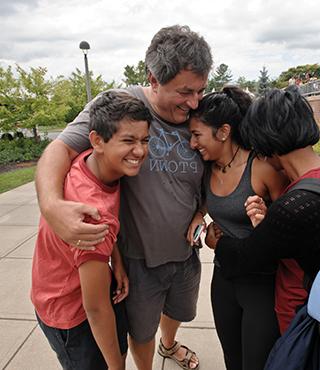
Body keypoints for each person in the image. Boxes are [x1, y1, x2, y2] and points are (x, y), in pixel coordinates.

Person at [34, 25, 213, 370]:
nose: (194, 102)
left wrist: (203, 212)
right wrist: (52, 206)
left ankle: (169, 344)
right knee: (138, 330)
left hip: (184, 253)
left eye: (201, 90)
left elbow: (223, 168)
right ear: (154, 79)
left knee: (178, 311)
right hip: (139, 259)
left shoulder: (202, 115)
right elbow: (58, 149)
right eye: (185, 91)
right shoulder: (120, 108)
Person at [205, 86, 320, 335]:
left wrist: (216, 243)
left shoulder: (294, 207)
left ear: (266, 142)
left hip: (301, 314)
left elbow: (244, 258)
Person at [31, 90, 152, 370]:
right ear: (97, 140)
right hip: (70, 312)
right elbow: (96, 310)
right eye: (128, 141)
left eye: (144, 140)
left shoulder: (92, 162)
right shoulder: (93, 216)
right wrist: (116, 367)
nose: (140, 151)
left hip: (81, 285)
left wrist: (116, 258)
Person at [188, 86, 288, 370]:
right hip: (223, 279)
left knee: (256, 363)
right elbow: (210, 204)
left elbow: (288, 226)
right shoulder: (206, 167)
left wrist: (267, 220)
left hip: (260, 285)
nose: (193, 144)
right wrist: (199, 217)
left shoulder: (262, 168)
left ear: (223, 131)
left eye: (197, 135)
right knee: (232, 359)